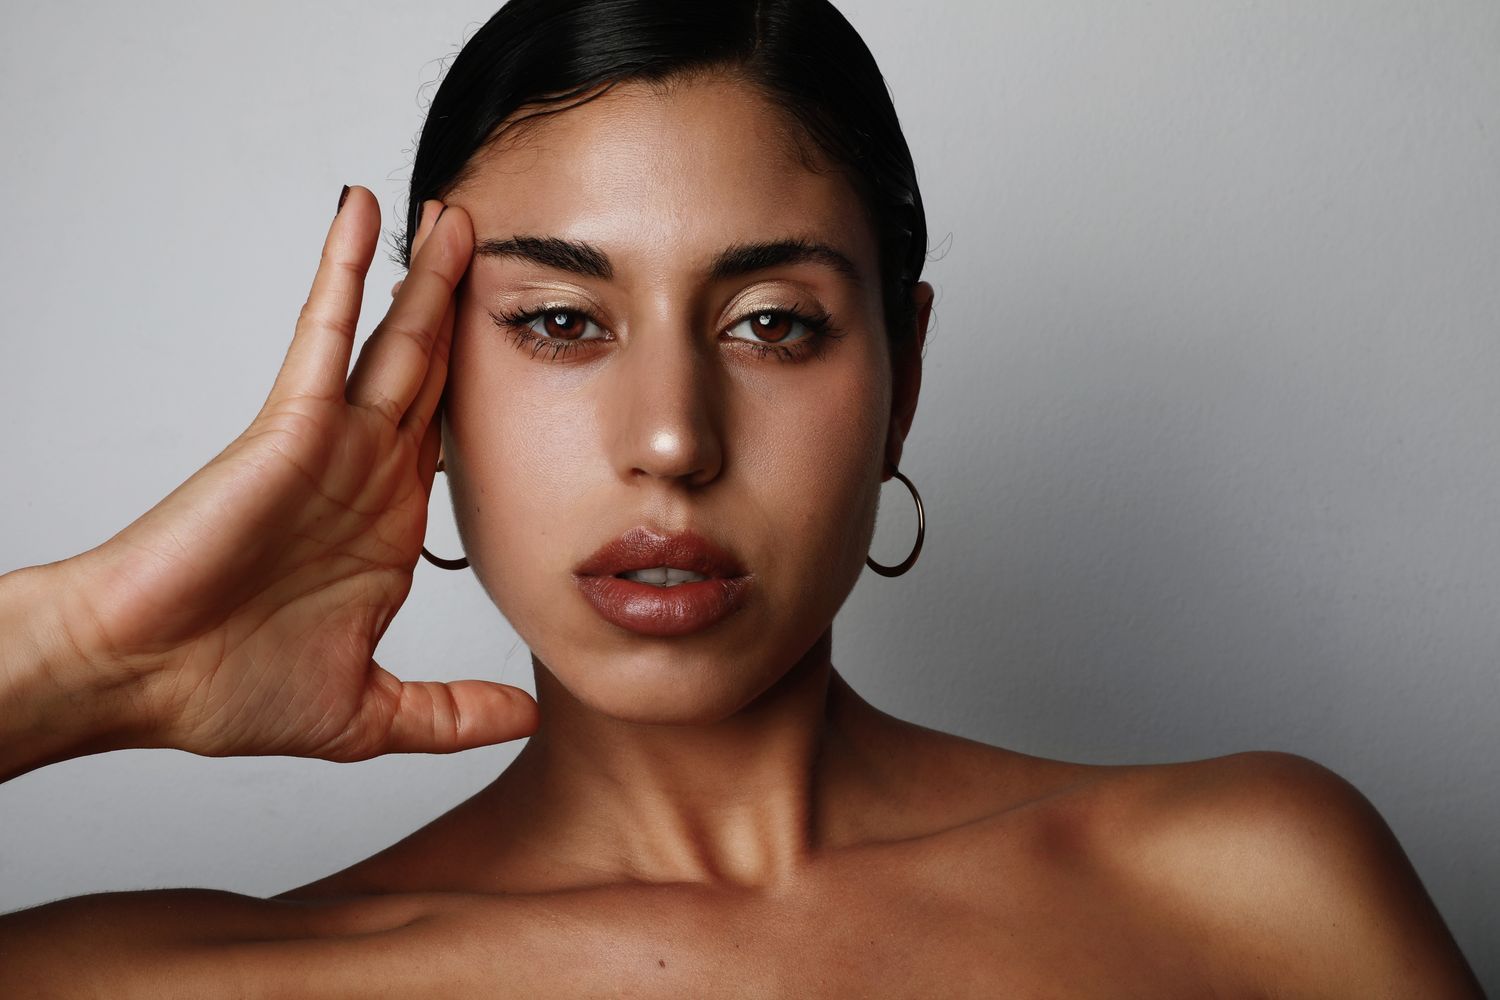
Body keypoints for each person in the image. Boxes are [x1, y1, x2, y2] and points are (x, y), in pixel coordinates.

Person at [0, 0, 1484, 994]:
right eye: (562, 323)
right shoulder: (167, 983)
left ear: (900, 380)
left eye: (770, 322)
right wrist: (84, 664)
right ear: (428, 387)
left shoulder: (1255, 890)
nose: (670, 440)